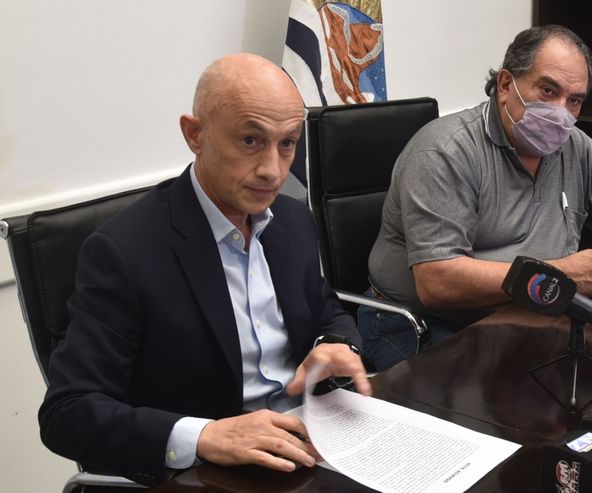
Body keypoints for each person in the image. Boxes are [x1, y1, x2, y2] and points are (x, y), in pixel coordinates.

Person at [38, 54, 371, 485]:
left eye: (287, 143)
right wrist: (205, 436)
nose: (272, 170)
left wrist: (336, 342)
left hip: (310, 444)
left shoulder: (291, 221)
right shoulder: (123, 251)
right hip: (212, 472)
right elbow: (67, 413)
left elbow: (325, 309)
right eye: (250, 140)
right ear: (195, 135)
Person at [362, 25, 592, 371]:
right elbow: (437, 281)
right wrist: (563, 274)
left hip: (529, 317)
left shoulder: (576, 148)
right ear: (506, 85)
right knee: (507, 399)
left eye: (574, 100)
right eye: (548, 91)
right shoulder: (445, 151)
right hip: (424, 324)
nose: (561, 112)